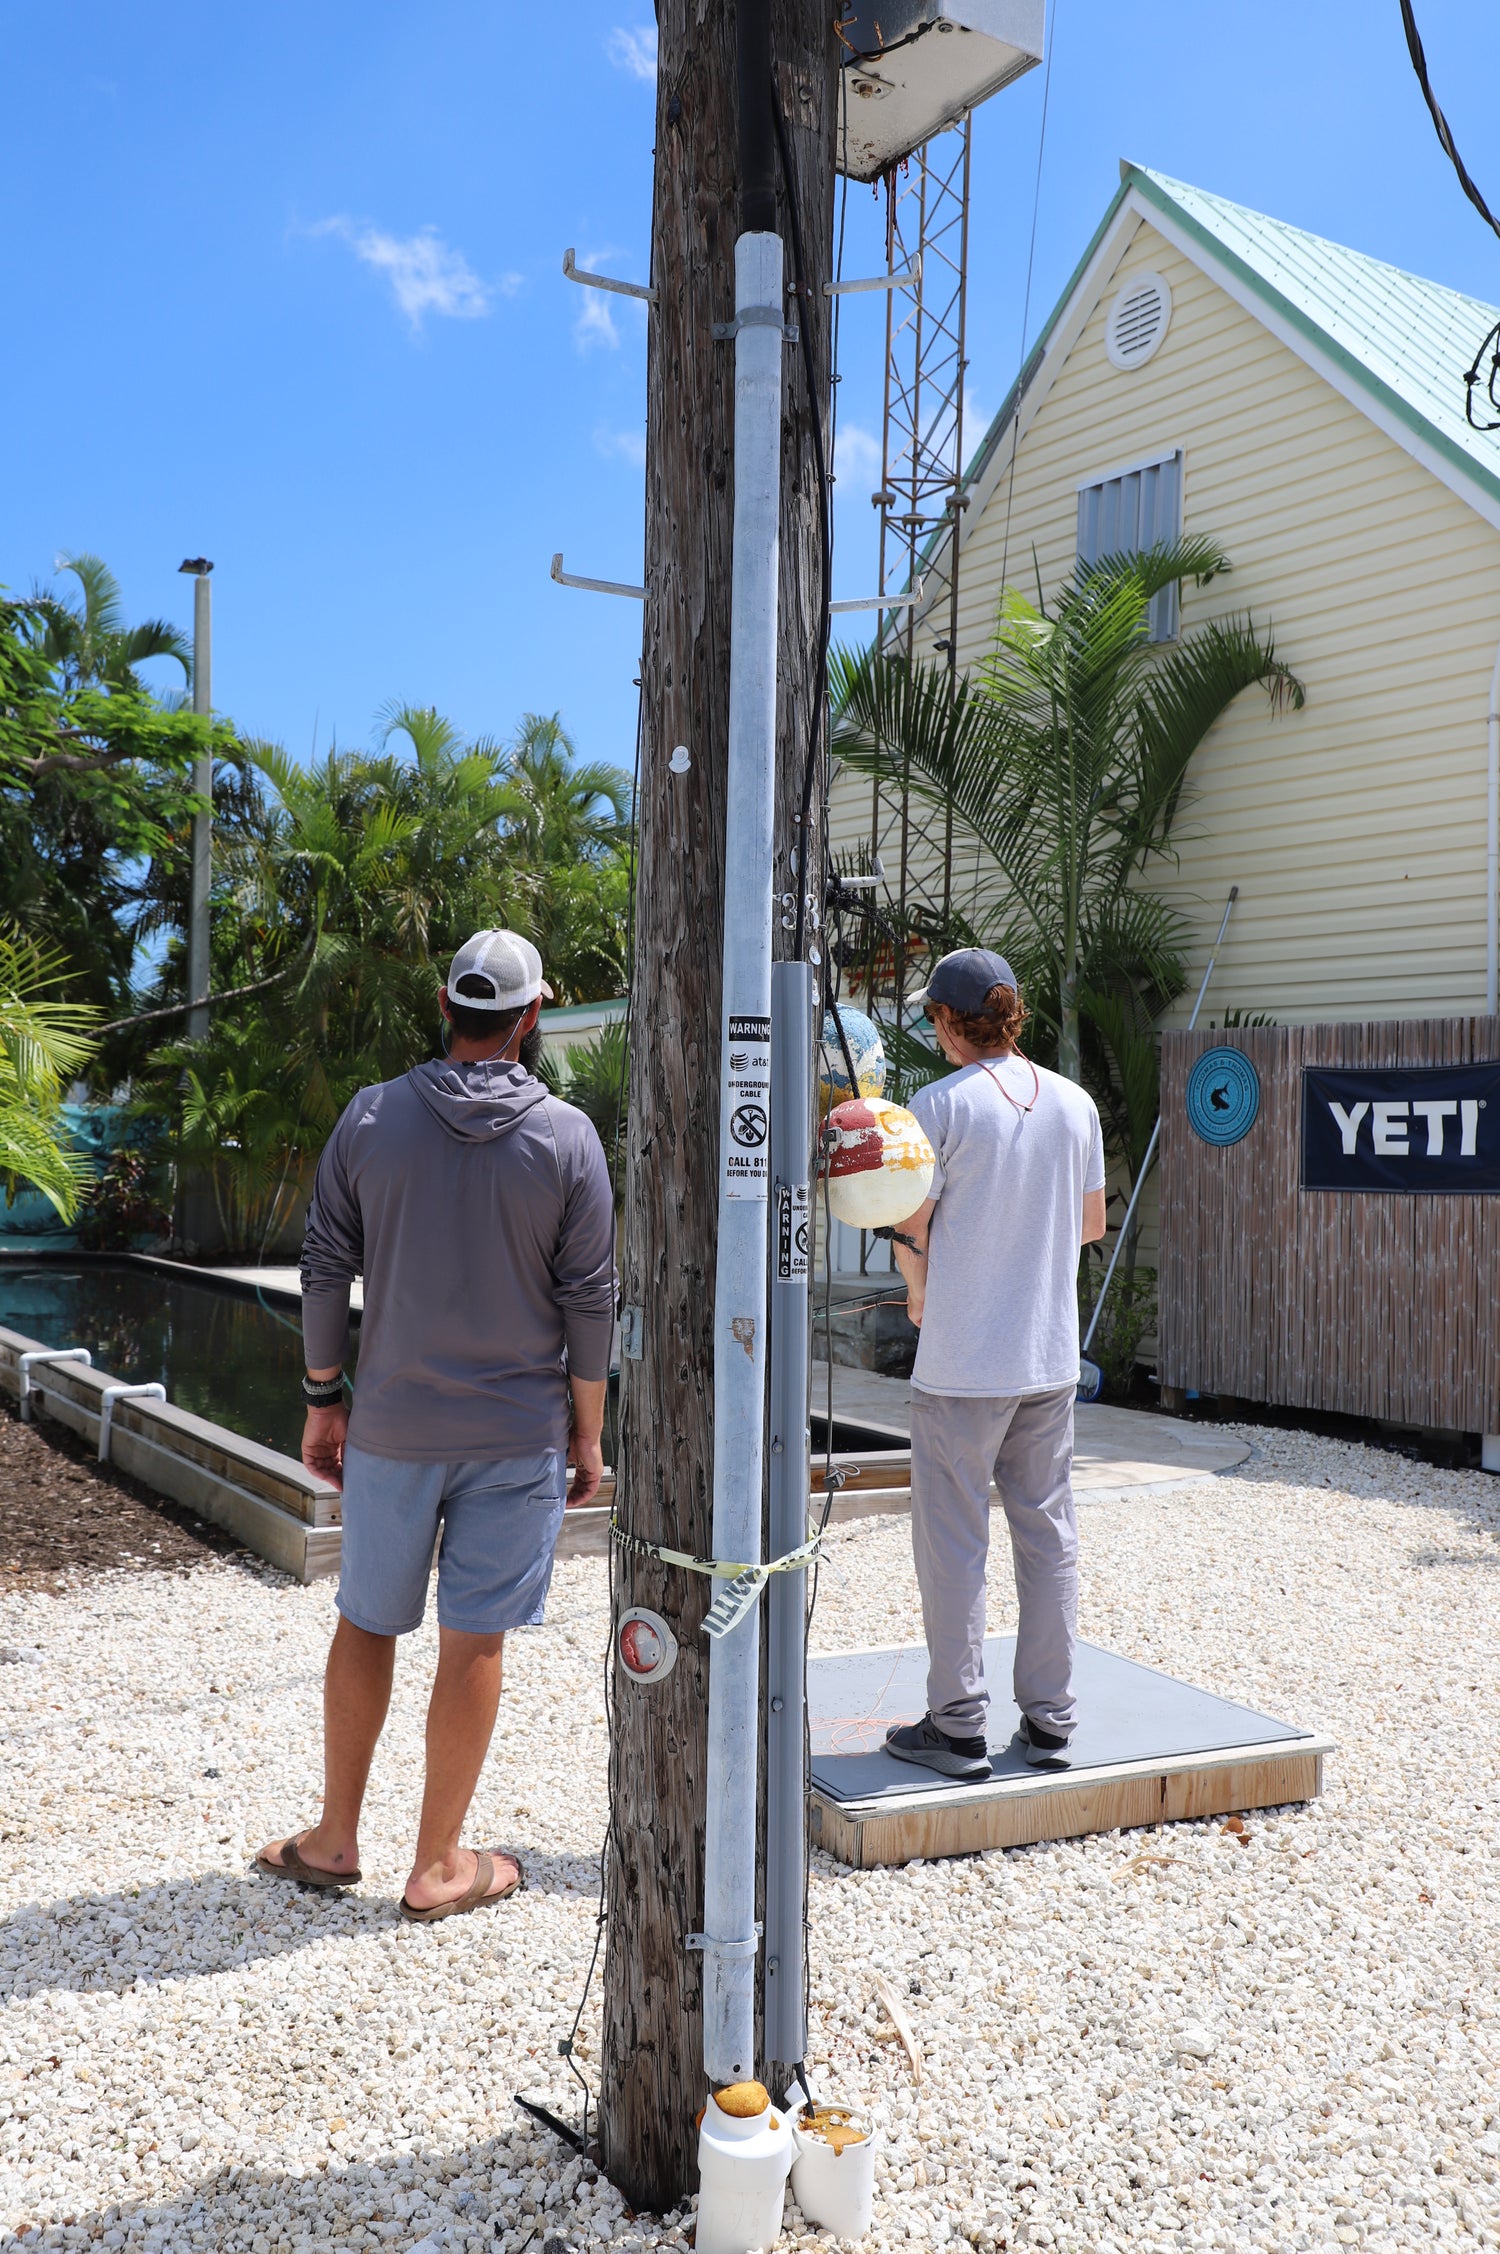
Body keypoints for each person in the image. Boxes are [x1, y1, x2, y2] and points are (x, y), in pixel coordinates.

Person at [256, 930, 616, 1919]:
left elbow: (326, 1266)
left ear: (445, 1006)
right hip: (518, 1433)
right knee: (475, 1641)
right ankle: (436, 1864)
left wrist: (323, 1393)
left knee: (367, 1621)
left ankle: (333, 1839)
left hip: (393, 1430)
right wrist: (587, 1435)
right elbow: (590, 1299)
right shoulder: (568, 1139)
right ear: (531, 1016)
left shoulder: (373, 1119)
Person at [883, 948, 1106, 1783]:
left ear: (949, 1019)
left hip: (961, 1364)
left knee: (954, 1544)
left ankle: (959, 1725)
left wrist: (917, 1291)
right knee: (1048, 1538)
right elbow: (1087, 1227)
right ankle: (1052, 1721)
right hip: (1049, 1358)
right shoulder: (1075, 1104)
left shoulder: (935, 1106)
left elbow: (913, 1230)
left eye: (930, 1017)